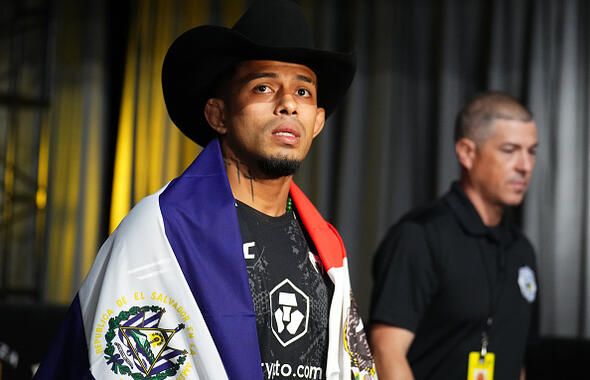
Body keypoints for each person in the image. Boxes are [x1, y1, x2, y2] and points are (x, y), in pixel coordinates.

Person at [34, 1, 376, 379]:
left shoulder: (325, 250)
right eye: (263, 87)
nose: (288, 105)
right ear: (219, 115)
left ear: (317, 122)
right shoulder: (161, 231)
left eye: (303, 92)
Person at [370, 92, 539, 380]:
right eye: (510, 150)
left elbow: (515, 359)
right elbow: (386, 352)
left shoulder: (521, 250)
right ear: (467, 153)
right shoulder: (420, 236)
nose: (525, 165)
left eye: (531, 151)